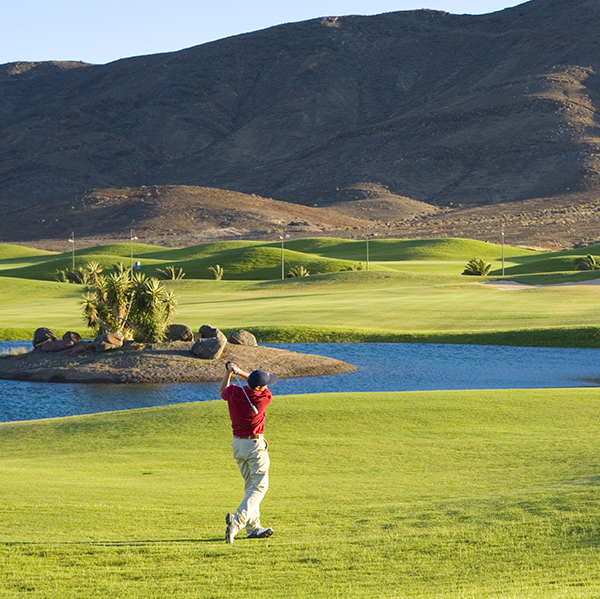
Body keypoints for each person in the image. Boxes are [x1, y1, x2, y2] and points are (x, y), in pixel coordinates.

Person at [219, 361, 277, 543]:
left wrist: (229, 372)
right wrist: (240, 371)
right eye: (265, 383)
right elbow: (257, 385)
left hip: (238, 445)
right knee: (260, 487)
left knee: (250, 487)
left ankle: (254, 528)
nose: (267, 386)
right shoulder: (263, 397)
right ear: (260, 387)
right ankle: (237, 521)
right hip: (254, 446)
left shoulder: (235, 392)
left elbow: (222, 391)